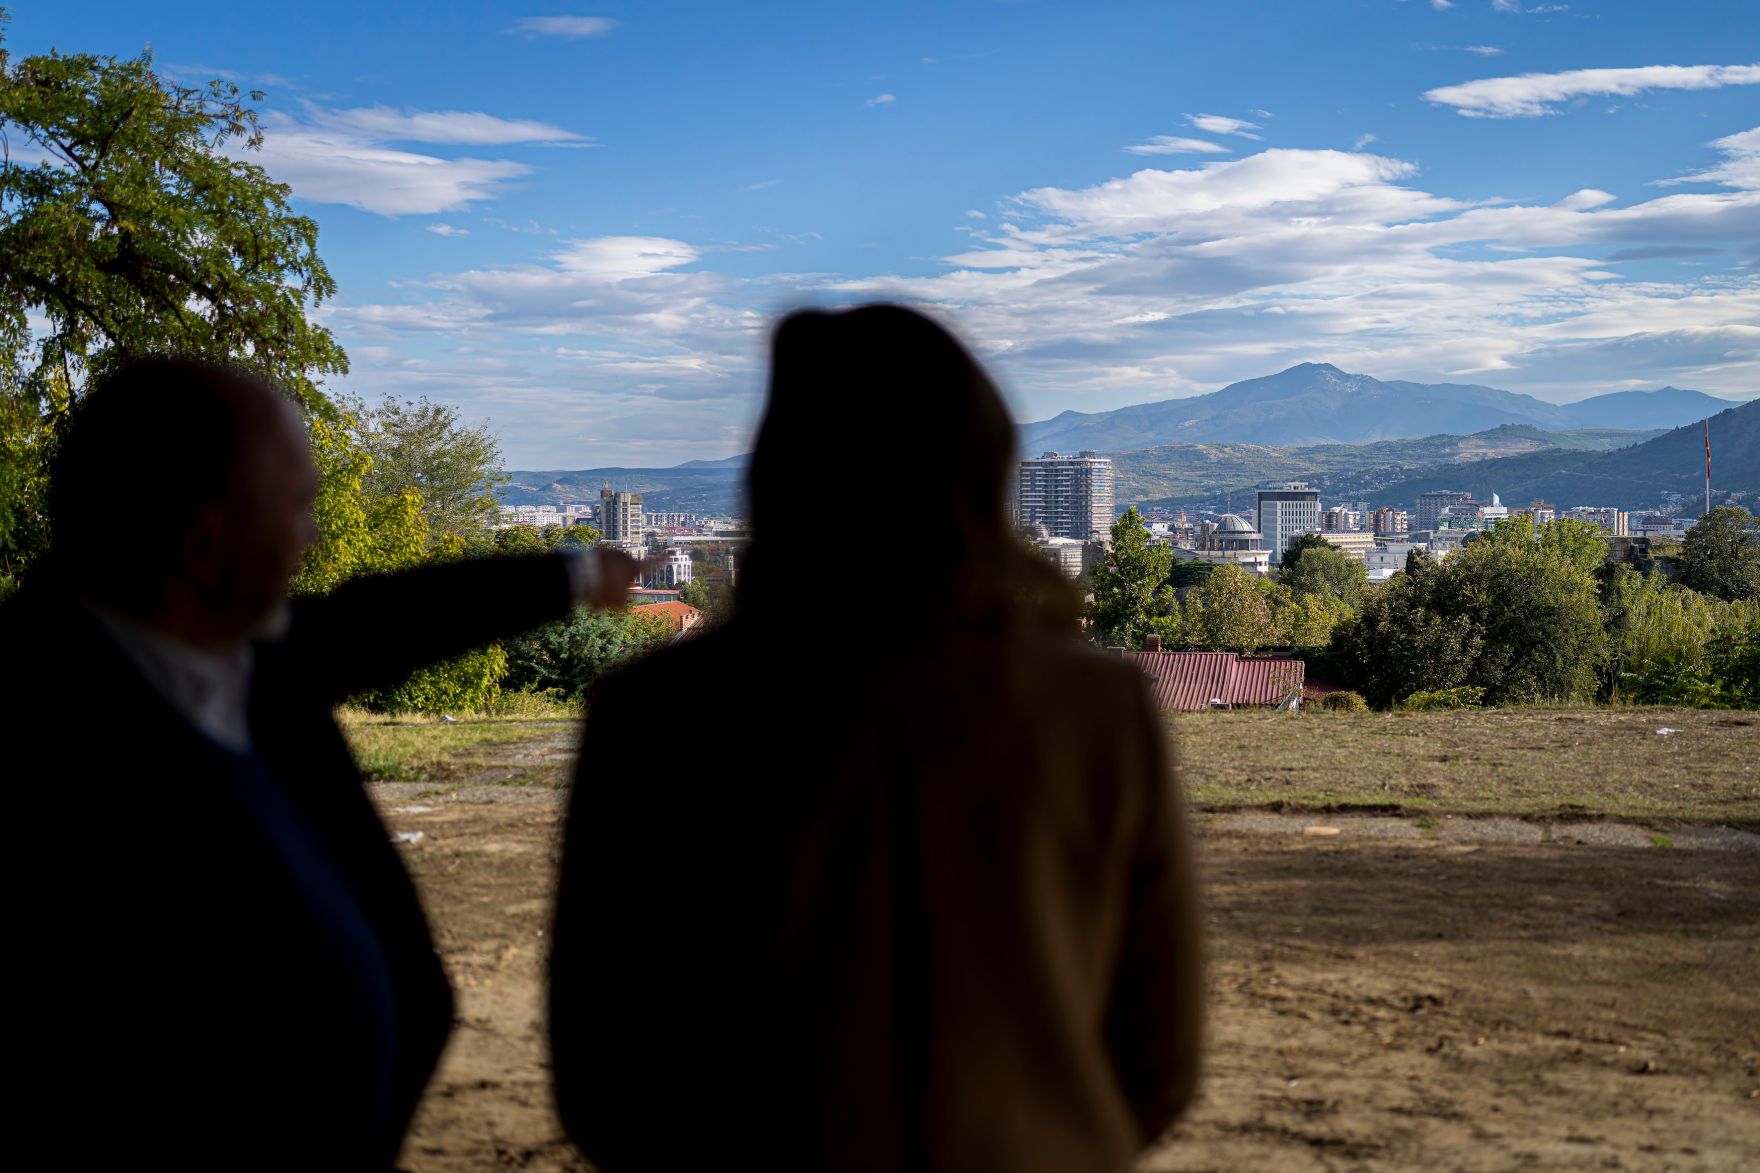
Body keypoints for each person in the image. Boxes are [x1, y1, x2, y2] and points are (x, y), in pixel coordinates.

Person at [548, 305, 1203, 1172]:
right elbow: (1159, 1061)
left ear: (780, 476)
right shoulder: (1097, 709)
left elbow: (602, 1071)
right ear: (980, 468)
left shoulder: (655, 714)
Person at [0, 357, 638, 1170]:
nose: (316, 538)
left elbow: (388, 617)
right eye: (298, 507)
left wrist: (579, 573)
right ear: (205, 543)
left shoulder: (232, 647)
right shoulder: (43, 729)